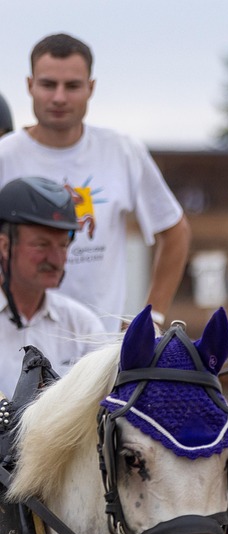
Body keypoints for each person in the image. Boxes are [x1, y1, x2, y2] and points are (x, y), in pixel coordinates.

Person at [0, 33, 190, 333]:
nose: (59, 97)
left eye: (72, 86)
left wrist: (152, 318)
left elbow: (175, 230)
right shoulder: (4, 156)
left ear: (91, 87)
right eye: (48, 84)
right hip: (13, 341)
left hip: (99, 352)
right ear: (29, 85)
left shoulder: (122, 151)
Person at [0, 176, 103, 397]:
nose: (57, 260)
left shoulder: (83, 327)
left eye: (64, 245)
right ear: (5, 246)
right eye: (42, 245)